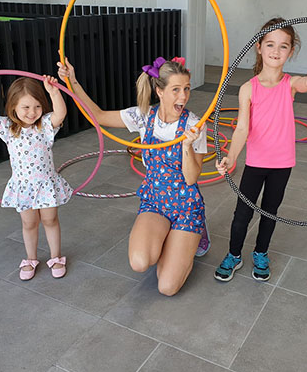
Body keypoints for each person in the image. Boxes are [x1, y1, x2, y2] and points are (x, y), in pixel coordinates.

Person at [57, 56, 209, 296]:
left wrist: (187, 147)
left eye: (187, 89)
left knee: (167, 287)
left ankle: (193, 234)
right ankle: (170, 238)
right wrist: (72, 82)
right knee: (139, 262)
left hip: (186, 206)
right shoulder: (143, 116)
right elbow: (98, 116)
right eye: (176, 90)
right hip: (155, 201)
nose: (183, 97)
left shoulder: (194, 125)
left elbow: (191, 178)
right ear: (159, 91)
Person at [214, 17, 307, 282]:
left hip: (282, 164)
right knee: (242, 215)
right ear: (259, 47)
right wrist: (231, 157)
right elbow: (241, 129)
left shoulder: (290, 85)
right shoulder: (248, 88)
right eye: (270, 44)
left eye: (283, 46)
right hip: (256, 162)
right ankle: (234, 254)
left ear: (291, 51)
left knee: (270, 212)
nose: (276, 51)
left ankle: (261, 252)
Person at [0, 73, 72, 280]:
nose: (32, 112)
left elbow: (60, 113)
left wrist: (54, 92)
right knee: (29, 223)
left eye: (37, 107)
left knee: (50, 219)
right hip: (23, 186)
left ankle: (56, 256)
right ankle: (31, 259)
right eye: (26, 107)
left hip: (46, 184)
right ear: (13, 106)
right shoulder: (8, 128)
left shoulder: (45, 125)